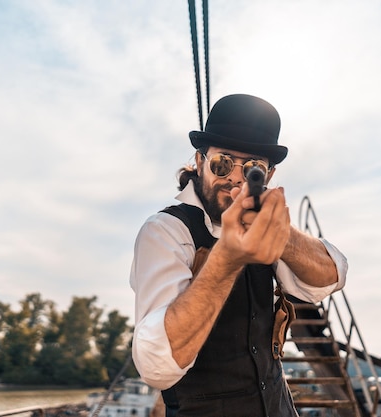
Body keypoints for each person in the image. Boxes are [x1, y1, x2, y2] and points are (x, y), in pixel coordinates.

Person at [130, 93, 348, 417]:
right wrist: (228, 257)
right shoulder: (165, 232)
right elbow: (156, 367)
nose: (234, 177)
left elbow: (332, 277)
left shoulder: (268, 228)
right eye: (223, 163)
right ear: (201, 161)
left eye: (252, 168)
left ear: (268, 176)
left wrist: (282, 234)